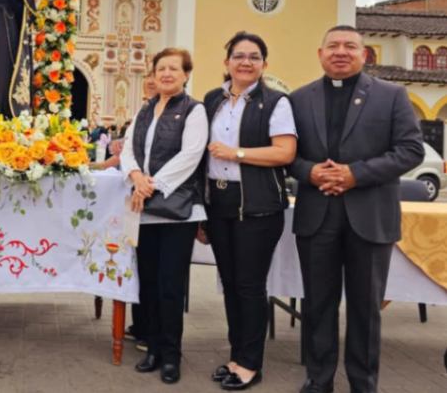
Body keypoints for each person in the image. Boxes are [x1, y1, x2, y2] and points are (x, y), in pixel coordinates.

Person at [289, 25, 424, 393]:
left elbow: (410, 150)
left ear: (365, 55)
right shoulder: (298, 99)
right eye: (332, 45)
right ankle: (318, 380)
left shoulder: (392, 95)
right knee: (318, 305)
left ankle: (364, 384)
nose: (341, 51)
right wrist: (311, 172)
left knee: (366, 310)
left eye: (350, 46)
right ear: (320, 54)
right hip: (317, 216)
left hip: (370, 216)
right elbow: (287, 156)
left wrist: (355, 175)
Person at [202, 32, 296, 390]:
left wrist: (237, 153)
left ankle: (250, 363)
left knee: (249, 285)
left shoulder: (276, 103)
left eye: (254, 57)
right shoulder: (212, 100)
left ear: (264, 65)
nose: (245, 62)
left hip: (257, 205)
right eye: (238, 55)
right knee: (230, 285)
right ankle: (236, 354)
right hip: (219, 202)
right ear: (226, 62)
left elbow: (284, 153)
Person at [120, 48, 208, 385]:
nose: (167, 74)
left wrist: (152, 185)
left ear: (186, 74)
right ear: (154, 75)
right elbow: (129, 150)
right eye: (162, 69)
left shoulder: (194, 110)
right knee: (151, 283)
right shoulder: (144, 109)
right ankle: (153, 348)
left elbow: (191, 154)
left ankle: (172, 355)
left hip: (176, 211)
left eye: (175, 68)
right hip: (144, 210)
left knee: (171, 288)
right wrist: (136, 178)